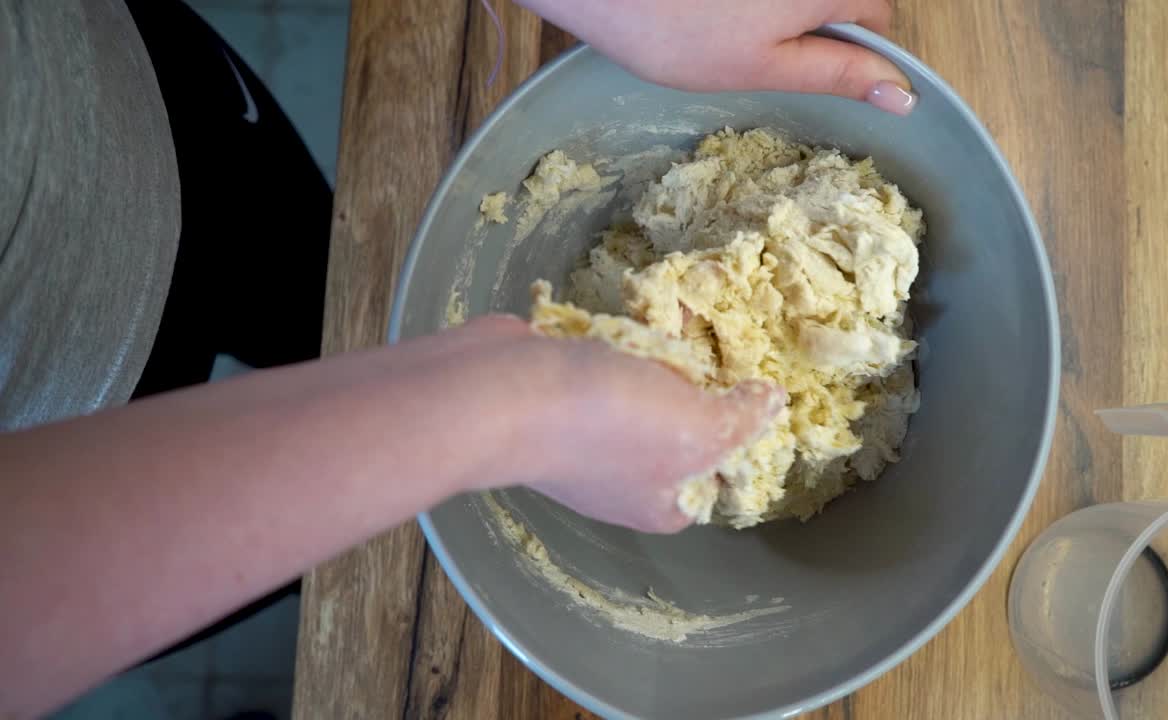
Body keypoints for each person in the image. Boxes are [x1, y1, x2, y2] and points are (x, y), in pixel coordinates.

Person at [0, 0, 913, 716]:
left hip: (129, 105)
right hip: (75, 415)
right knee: (320, 537)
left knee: (312, 281)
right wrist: (519, 405)